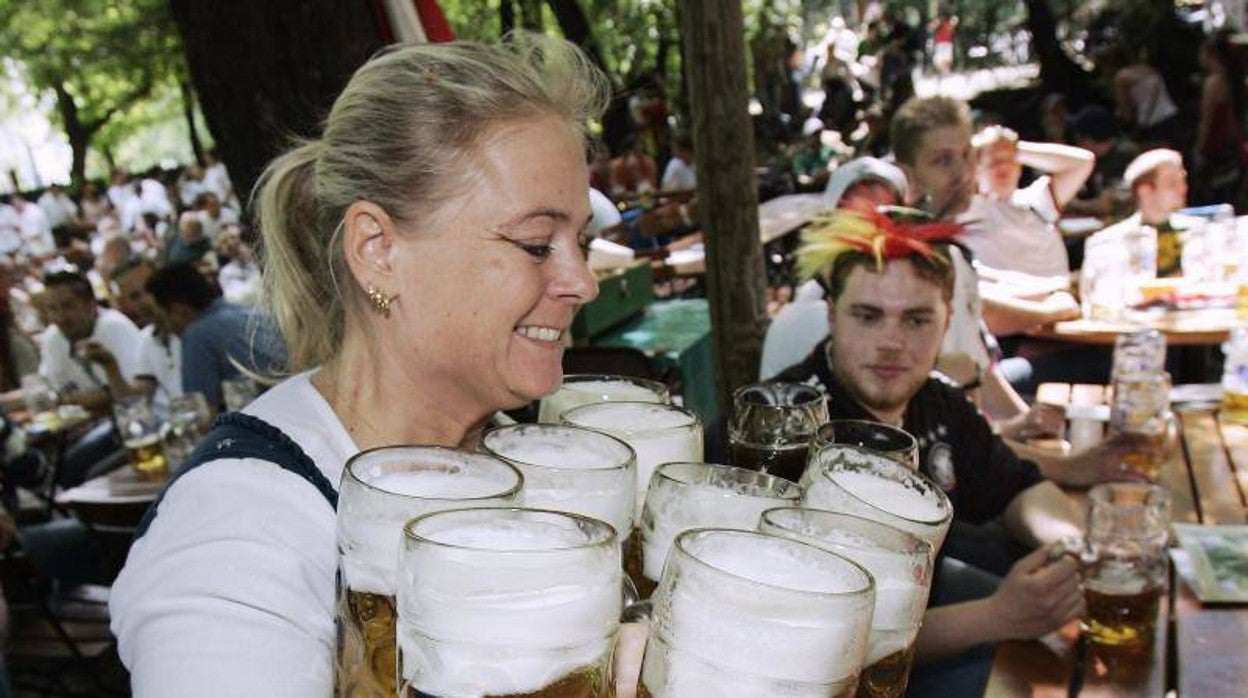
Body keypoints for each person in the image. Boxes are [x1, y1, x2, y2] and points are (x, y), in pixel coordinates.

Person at [110, 35, 626, 696]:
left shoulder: (534, 462)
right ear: (378, 250)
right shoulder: (238, 533)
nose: (583, 282)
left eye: (579, 242)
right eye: (535, 243)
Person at [775, 208, 1087, 695]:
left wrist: (1072, 546)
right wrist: (997, 616)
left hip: (926, 622)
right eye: (868, 315)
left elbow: (1018, 486)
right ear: (832, 315)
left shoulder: (937, 399)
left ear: (946, 324)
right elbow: (812, 644)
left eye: (917, 319)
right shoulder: (779, 434)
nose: (892, 342)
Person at [145, 262, 285, 411]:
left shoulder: (197, 336)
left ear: (180, 311)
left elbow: (202, 414)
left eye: (160, 317)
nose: (162, 326)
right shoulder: (250, 313)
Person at [1084, 149, 1194, 278]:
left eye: (1182, 180)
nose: (1183, 188)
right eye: (1172, 183)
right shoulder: (1108, 243)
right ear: (1144, 191)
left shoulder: (1198, 232)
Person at [1194, 29, 1247, 205]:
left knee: (1216, 193)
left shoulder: (1213, 83)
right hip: (1233, 141)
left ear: (1211, 55)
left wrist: (1200, 149)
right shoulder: (1233, 78)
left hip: (1217, 142)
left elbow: (1207, 120)